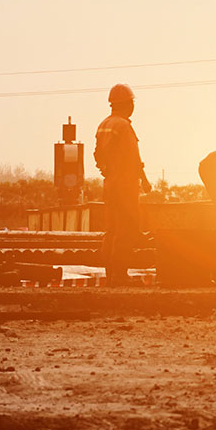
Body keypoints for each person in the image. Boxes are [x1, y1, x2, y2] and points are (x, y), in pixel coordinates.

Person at [93, 83, 152, 286]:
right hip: (125, 185)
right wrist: (144, 181)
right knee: (127, 228)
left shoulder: (104, 125)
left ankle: (111, 273)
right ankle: (119, 274)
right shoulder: (124, 126)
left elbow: (97, 155)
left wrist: (106, 171)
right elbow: (134, 158)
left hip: (110, 184)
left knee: (111, 228)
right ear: (127, 104)